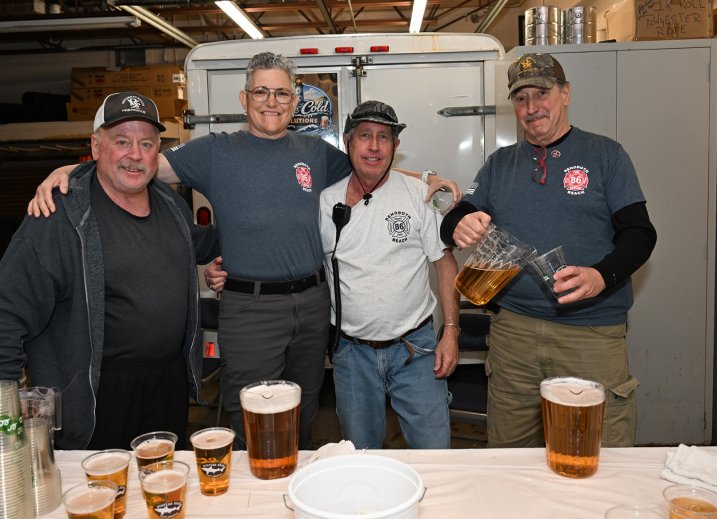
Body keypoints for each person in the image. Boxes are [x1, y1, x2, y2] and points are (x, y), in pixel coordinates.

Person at [27, 53, 458, 450]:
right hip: (250, 309)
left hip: (313, 307)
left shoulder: (314, 152)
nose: (271, 102)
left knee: (304, 415)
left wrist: (428, 179)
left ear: (294, 102)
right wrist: (71, 170)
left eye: (282, 93)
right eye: (261, 92)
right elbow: (136, 165)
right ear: (244, 98)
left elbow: (372, 163)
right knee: (253, 422)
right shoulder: (215, 151)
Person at [0, 91, 219, 450]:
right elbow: (2, 318)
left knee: (161, 482)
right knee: (99, 486)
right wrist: (6, 408)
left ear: (158, 150)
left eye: (146, 143)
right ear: (95, 145)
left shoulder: (172, 206)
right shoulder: (59, 216)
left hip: (166, 387)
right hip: (92, 396)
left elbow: (204, 245)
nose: (135, 154)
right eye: (121, 141)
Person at [440, 53, 657, 448]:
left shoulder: (606, 155)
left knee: (597, 452)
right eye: (521, 98)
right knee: (510, 453)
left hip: (590, 332)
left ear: (566, 93)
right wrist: (459, 223)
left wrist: (601, 275)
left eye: (542, 94)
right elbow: (455, 217)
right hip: (513, 334)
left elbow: (640, 234)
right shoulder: (500, 164)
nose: (532, 107)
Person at [320, 100, 459, 448]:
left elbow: (444, 264)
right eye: (364, 135)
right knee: (360, 456)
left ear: (395, 146)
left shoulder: (419, 196)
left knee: (434, 454)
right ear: (348, 142)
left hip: (416, 349)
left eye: (383, 137)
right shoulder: (325, 201)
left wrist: (451, 332)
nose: (374, 146)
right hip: (351, 353)